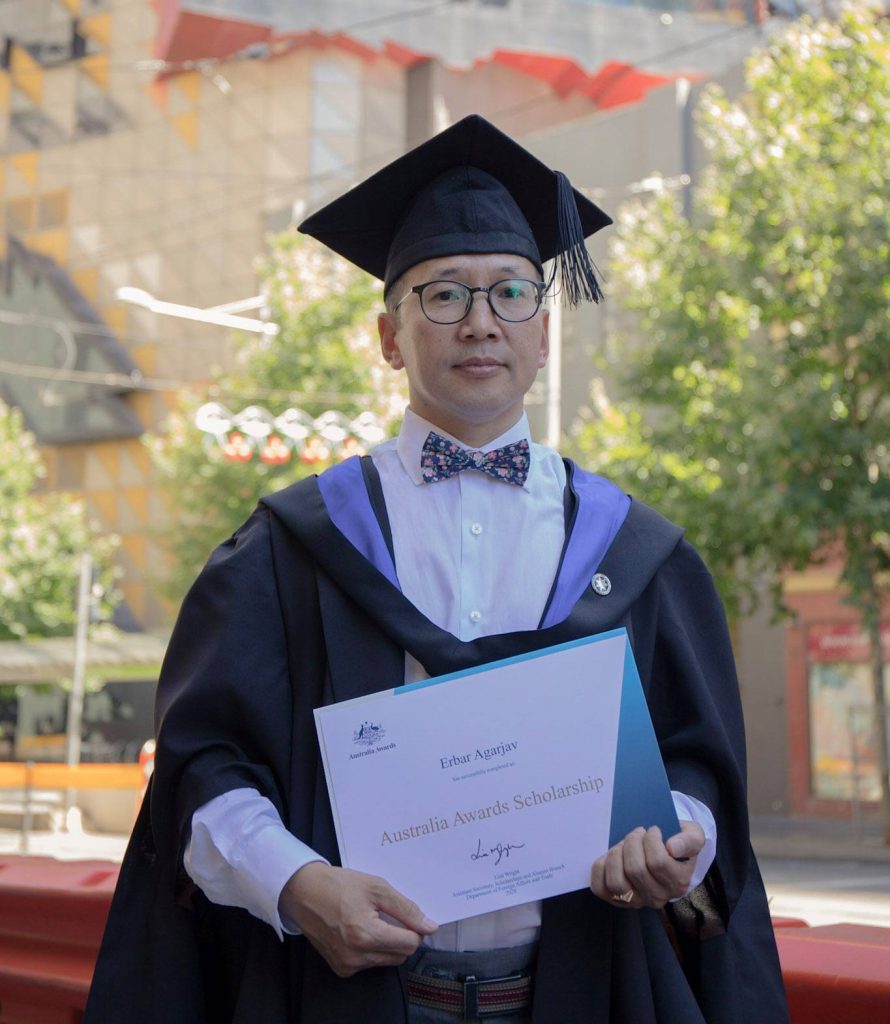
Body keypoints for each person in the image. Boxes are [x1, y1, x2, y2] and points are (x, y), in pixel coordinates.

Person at [85, 115, 788, 1023]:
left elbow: (700, 765)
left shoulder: (636, 551)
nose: (481, 322)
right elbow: (203, 767)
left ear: (544, 334)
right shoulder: (293, 546)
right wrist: (297, 884)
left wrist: (679, 840)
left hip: (586, 989)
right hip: (353, 999)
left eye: (511, 294)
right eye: (443, 296)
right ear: (389, 336)